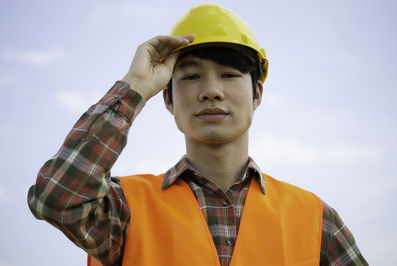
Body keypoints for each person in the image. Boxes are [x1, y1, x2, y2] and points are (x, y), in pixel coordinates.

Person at [27, 3, 368, 266]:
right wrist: (135, 87)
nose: (211, 91)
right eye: (191, 77)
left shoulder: (315, 219)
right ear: (167, 99)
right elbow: (56, 197)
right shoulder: (123, 210)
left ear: (257, 95)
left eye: (230, 75)